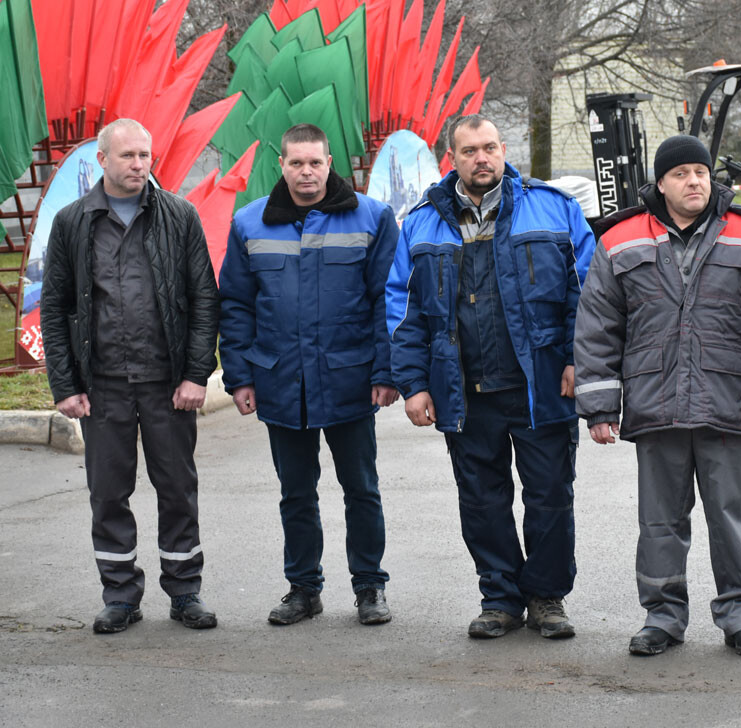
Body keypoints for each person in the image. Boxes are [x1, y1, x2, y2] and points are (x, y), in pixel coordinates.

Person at [574, 135, 741, 658]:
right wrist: (600, 405)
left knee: (731, 520)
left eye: (700, 172)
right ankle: (662, 617)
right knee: (659, 524)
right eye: (681, 174)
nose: (694, 181)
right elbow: (598, 325)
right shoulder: (620, 239)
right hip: (656, 402)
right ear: (660, 183)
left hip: (727, 403)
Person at [388, 115, 594, 640]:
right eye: (469, 151)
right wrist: (414, 384)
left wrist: (580, 360)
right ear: (452, 158)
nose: (481, 158)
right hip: (463, 389)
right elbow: (404, 312)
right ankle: (500, 598)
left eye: (489, 148)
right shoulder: (420, 224)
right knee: (482, 501)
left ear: (503, 149)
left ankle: (546, 598)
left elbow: (587, 294)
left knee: (550, 497)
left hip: (540, 384)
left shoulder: (554, 208)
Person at [41, 118, 220, 634]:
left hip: (167, 382)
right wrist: (65, 385)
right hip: (103, 385)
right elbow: (55, 307)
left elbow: (204, 298)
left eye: (145, 155)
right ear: (102, 160)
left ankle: (185, 592)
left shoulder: (179, 216)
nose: (140, 164)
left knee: (177, 489)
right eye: (128, 156)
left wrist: (196, 374)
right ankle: (120, 596)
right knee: (107, 494)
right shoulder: (73, 222)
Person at [219, 123, 399, 626]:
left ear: (329, 163)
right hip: (282, 384)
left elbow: (387, 301)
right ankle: (303, 589)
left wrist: (386, 371)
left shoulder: (372, 217)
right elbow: (236, 306)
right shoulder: (249, 223)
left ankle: (369, 587)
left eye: (315, 162)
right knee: (296, 494)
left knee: (362, 490)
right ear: (281, 165)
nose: (306, 172)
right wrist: (240, 377)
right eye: (296, 163)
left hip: (350, 381)